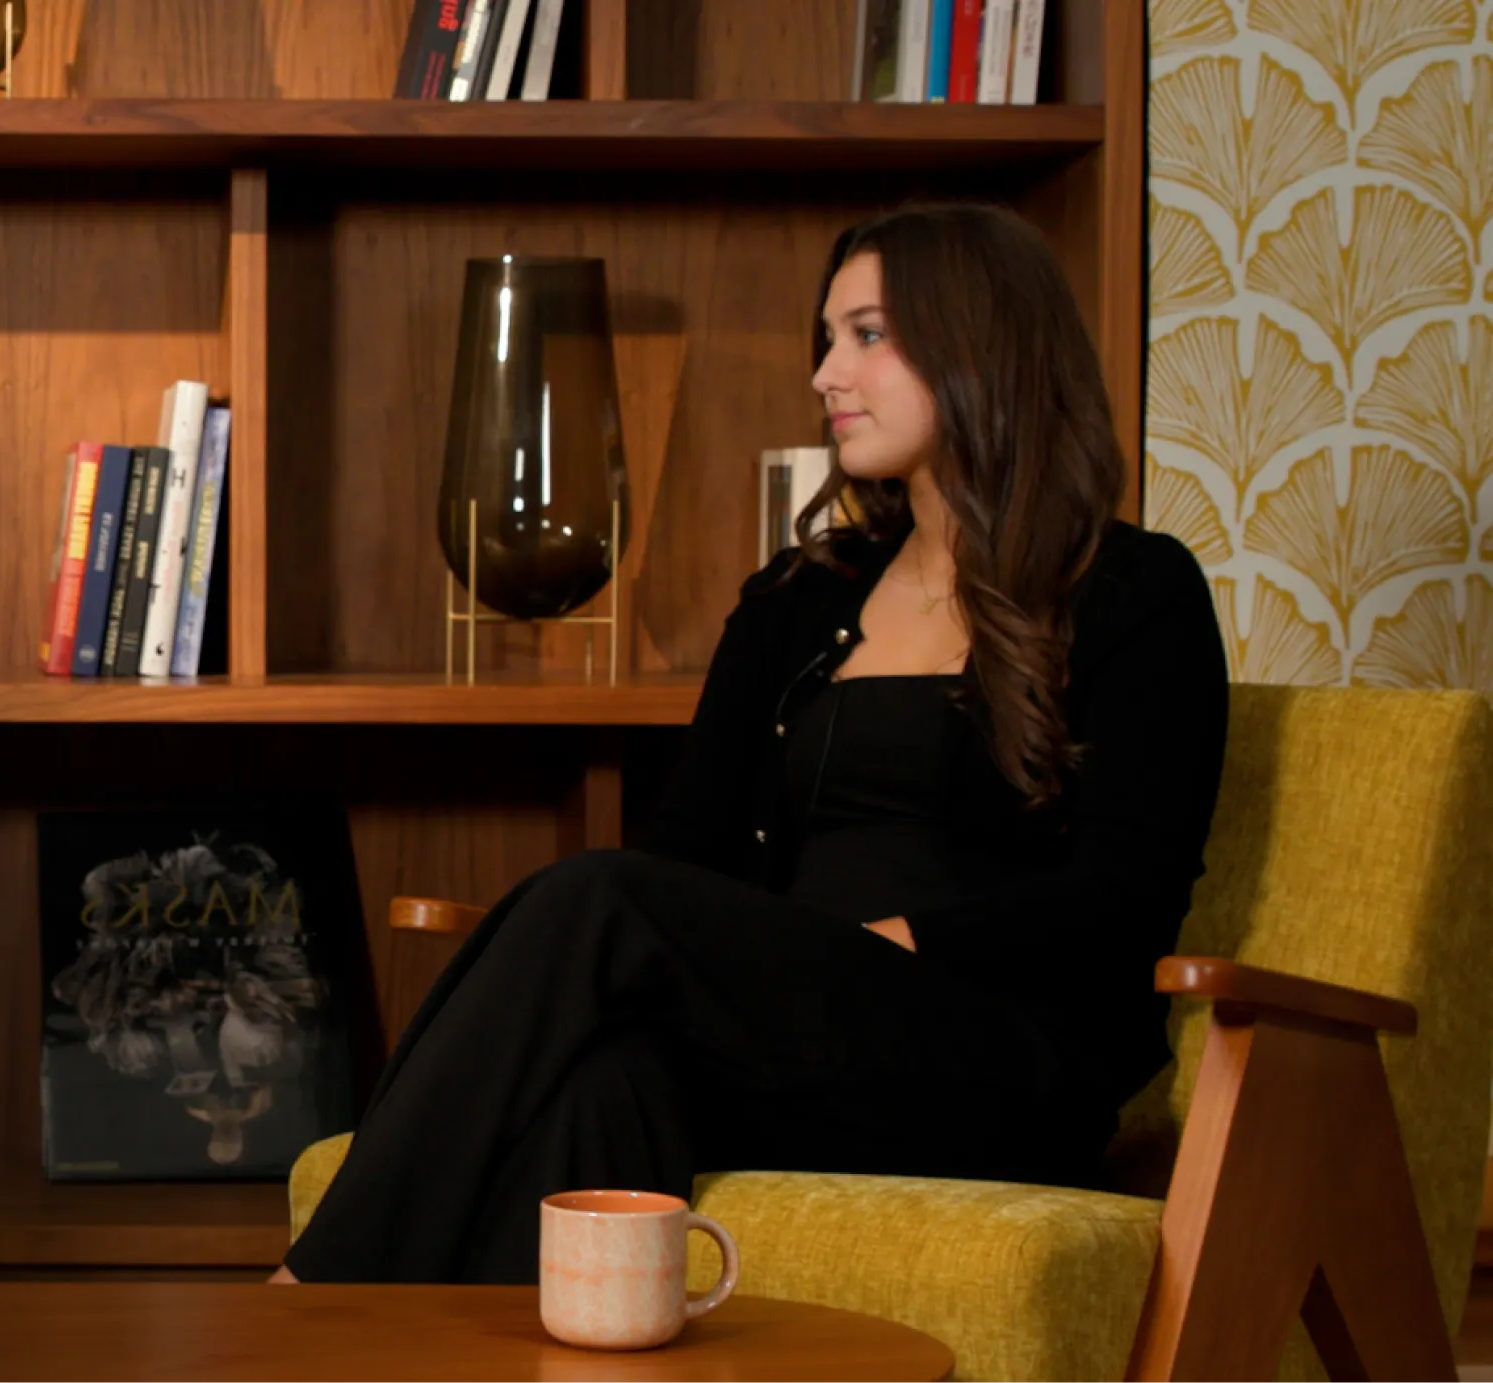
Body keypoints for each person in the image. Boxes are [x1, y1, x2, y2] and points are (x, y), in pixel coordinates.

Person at [273, 203, 1229, 1284]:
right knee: (601, 1081)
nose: (826, 373)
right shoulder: (795, 598)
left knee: (595, 900)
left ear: (981, 343)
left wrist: (901, 939)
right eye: (825, 340)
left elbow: (1126, 892)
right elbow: (688, 851)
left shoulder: (1134, 594)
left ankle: (318, 1292)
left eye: (866, 335)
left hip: (993, 1064)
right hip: (782, 1043)